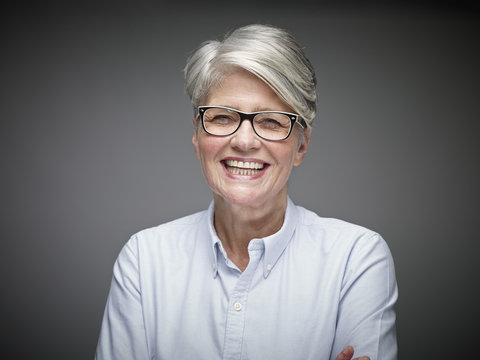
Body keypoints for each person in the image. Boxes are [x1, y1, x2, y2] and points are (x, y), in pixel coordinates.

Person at [95, 24, 398, 360]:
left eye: (271, 121)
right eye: (223, 117)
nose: (244, 141)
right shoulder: (144, 260)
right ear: (197, 136)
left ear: (301, 145)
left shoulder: (355, 260)